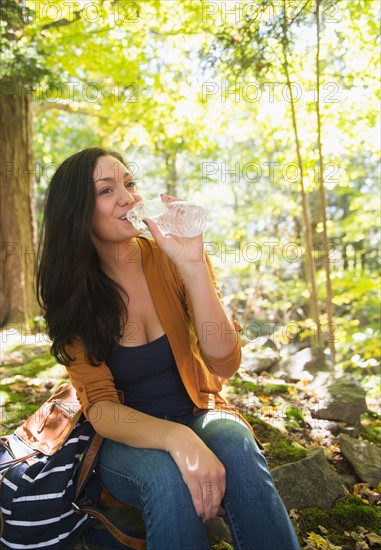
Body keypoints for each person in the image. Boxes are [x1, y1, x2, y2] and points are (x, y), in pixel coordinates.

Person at [37, 147, 300, 550]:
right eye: (107, 190)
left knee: (237, 446)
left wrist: (193, 266)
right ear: (78, 213)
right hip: (126, 439)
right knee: (166, 476)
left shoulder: (171, 256)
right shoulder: (73, 295)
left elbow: (225, 363)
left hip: (200, 410)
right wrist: (178, 438)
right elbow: (102, 408)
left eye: (130, 183)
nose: (128, 197)